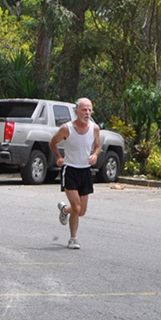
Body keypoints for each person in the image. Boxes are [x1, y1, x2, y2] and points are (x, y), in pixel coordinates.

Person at [51, 98, 100, 250]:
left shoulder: (94, 128)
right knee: (77, 207)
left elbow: (97, 146)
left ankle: (64, 210)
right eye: (84, 110)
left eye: (90, 110)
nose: (87, 113)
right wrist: (59, 157)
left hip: (85, 171)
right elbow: (53, 142)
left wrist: (95, 155)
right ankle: (73, 238)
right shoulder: (67, 128)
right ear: (77, 111)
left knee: (82, 211)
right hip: (70, 170)